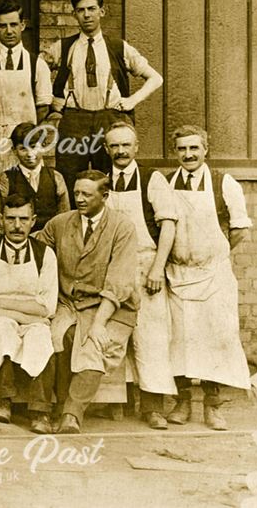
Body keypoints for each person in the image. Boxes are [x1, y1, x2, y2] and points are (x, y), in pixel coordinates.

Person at [36, 170, 139, 434]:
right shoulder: (60, 223)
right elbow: (33, 245)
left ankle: (72, 414)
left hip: (111, 306)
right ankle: (55, 408)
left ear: (104, 196)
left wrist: (99, 324)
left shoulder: (122, 227)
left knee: (96, 345)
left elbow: (119, 282)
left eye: (87, 194)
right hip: (70, 303)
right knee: (56, 337)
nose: (79, 199)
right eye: (76, 193)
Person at [164, 125, 252, 431]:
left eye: (194, 148)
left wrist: (214, 254)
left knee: (217, 337)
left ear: (205, 150)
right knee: (180, 340)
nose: (188, 155)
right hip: (178, 275)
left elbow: (239, 228)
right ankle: (183, 402)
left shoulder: (223, 183)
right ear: (175, 152)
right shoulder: (166, 182)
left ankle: (213, 406)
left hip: (214, 275)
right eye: (182, 149)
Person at [46, 0, 163, 200]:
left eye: (91, 9)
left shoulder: (118, 47)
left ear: (102, 11)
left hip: (109, 118)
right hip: (74, 121)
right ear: (74, 14)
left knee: (110, 176)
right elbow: (37, 70)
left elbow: (155, 78)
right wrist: (51, 100)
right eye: (81, 10)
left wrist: (132, 101)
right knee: (70, 178)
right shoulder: (63, 47)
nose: (87, 15)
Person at [103, 121, 178, 429]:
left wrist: (157, 268)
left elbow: (169, 225)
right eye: (114, 146)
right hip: (113, 268)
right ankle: (115, 403)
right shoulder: (102, 180)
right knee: (114, 335)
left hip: (147, 267)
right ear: (107, 149)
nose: (120, 151)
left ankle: (153, 407)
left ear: (136, 148)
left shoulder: (152, 179)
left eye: (125, 145)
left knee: (151, 337)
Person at [0, 195, 58, 434]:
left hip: (24, 320)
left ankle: (40, 410)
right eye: (11, 219)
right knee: (2, 327)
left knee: (40, 335)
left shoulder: (45, 255)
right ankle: (2, 400)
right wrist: (21, 314)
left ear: (34, 220)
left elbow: (46, 307)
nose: (17, 226)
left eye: (23, 219)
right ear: (1, 219)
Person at [0, 0, 52, 168]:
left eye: (14, 25)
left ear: (22, 25)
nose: (9, 31)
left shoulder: (37, 64)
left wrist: (26, 133)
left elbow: (43, 107)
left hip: (26, 141)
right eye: (3, 26)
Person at [0, 122, 69, 234]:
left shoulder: (56, 177)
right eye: (23, 149)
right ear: (14, 150)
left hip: (50, 240)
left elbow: (64, 217)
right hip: (16, 240)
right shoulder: (6, 179)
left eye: (33, 147)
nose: (29, 154)